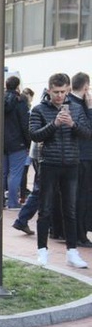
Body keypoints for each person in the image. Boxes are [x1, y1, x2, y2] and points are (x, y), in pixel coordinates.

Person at [30, 72, 92, 268]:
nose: (59, 96)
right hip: (49, 163)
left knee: (71, 210)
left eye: (63, 92)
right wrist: (55, 124)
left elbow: (87, 133)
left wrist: (72, 124)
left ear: (67, 90)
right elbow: (34, 135)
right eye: (56, 92)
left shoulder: (76, 108)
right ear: (49, 90)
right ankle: (42, 251)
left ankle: (72, 252)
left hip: (72, 164)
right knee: (45, 209)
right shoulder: (39, 109)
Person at [69, 72, 92, 247]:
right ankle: (80, 235)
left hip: (74, 156)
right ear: (85, 87)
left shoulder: (69, 102)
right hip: (83, 156)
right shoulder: (81, 105)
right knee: (82, 197)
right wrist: (90, 109)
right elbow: (88, 130)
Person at [3, 76, 31, 209]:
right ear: (18, 86)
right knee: (15, 173)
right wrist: (28, 142)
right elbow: (25, 124)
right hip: (17, 143)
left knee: (1, 173)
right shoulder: (21, 102)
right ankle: (13, 202)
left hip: (0, 143)